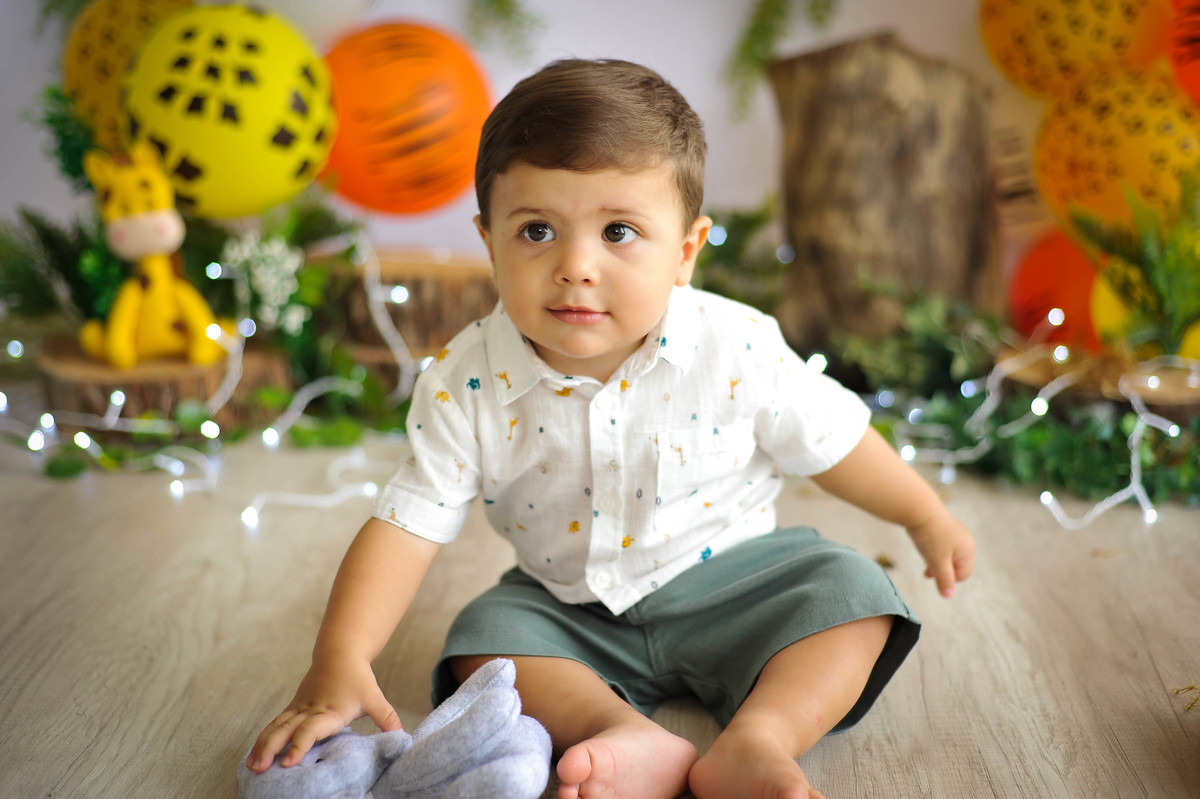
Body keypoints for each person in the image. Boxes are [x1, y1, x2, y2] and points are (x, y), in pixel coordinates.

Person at [246, 58, 976, 799]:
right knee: (484, 641)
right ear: (489, 241)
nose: (576, 266)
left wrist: (924, 514)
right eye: (537, 230)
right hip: (570, 607)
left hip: (739, 583)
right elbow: (407, 525)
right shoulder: (466, 380)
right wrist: (340, 657)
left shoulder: (736, 345)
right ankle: (619, 729)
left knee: (854, 594)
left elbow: (833, 441)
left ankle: (761, 738)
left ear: (685, 252)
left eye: (619, 231)